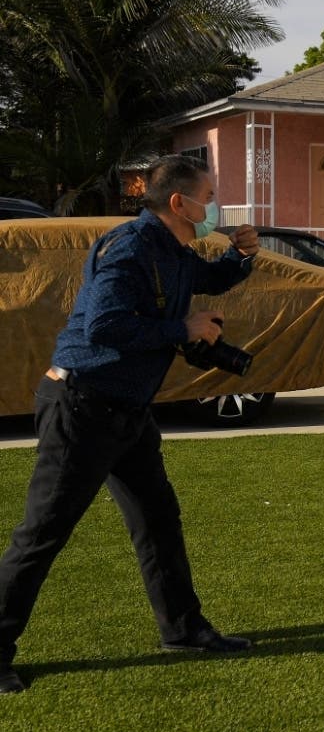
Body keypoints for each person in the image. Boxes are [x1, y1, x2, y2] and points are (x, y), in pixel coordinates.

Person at [0, 155, 261, 694]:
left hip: (127, 413)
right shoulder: (131, 247)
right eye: (207, 197)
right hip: (83, 405)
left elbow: (209, 276)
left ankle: (184, 630)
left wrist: (242, 255)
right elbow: (106, 325)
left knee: (158, 519)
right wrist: (181, 327)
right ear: (178, 203)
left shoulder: (176, 250)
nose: (212, 206)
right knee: (41, 535)